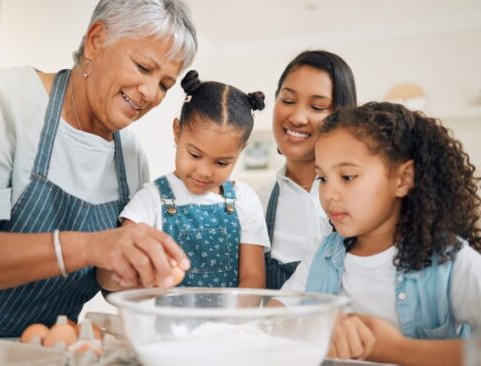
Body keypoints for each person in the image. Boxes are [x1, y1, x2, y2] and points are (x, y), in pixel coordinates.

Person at [0, 0, 198, 343]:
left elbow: (108, 277)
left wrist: (144, 273)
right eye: (143, 67)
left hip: (47, 354)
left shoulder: (131, 156)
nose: (150, 94)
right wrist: (90, 246)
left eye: (164, 84)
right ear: (96, 40)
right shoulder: (2, 102)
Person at [282, 102, 481, 365]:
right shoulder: (323, 255)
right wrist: (316, 328)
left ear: (402, 179)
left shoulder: (451, 262)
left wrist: (398, 349)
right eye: (323, 178)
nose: (329, 194)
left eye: (348, 176)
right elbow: (275, 318)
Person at [97, 70, 270, 290]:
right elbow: (108, 275)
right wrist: (125, 276)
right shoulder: (151, 199)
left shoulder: (244, 200)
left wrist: (230, 324)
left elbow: (253, 281)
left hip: (230, 323)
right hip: (167, 324)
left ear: (241, 151)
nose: (205, 172)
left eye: (222, 163)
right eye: (195, 155)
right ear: (177, 132)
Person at [257, 50, 357, 289]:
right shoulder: (255, 206)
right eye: (288, 100)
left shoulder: (363, 199)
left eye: (317, 106)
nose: (298, 117)